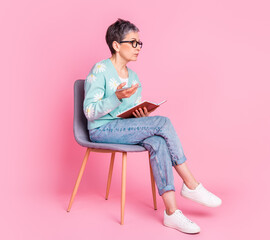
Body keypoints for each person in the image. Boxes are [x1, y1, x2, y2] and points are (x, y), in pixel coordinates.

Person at [83, 18, 222, 234]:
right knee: (163, 123)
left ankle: (171, 213)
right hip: (101, 130)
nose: (138, 48)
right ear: (116, 45)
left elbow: (128, 116)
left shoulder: (134, 77)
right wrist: (116, 98)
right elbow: (89, 112)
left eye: (140, 43)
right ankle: (192, 185)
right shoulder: (100, 70)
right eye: (133, 42)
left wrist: (141, 115)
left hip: (122, 129)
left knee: (157, 140)